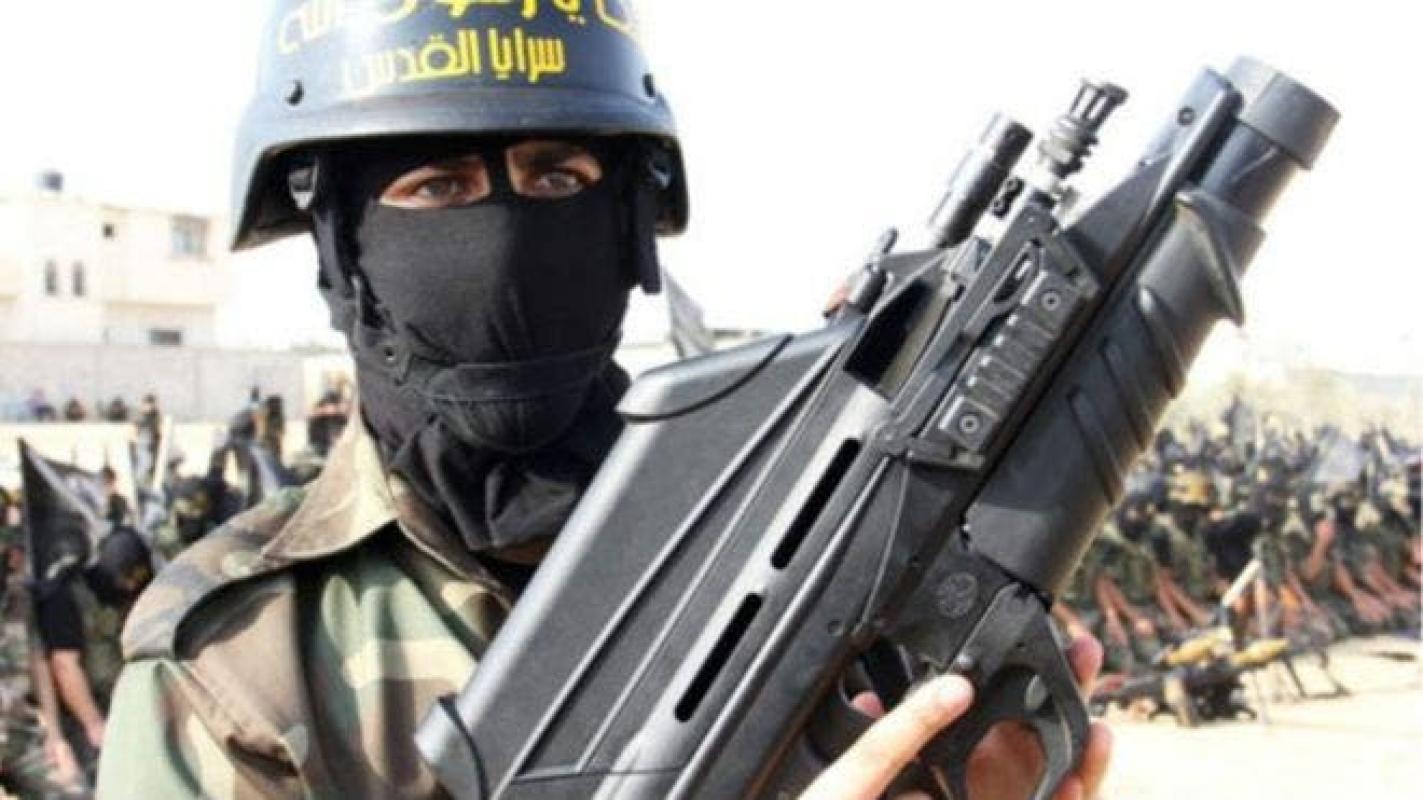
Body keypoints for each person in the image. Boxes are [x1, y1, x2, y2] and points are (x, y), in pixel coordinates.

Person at [97, 5, 1109, 798]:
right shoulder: (236, 661)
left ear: (629, 223)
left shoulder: (801, 513)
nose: (505, 241)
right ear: (340, 251)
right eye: (436, 188)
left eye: (557, 177)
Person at [34, 528, 153, 787]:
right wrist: (94, 724)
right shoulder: (65, 597)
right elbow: (65, 665)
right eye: (126, 579)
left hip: (124, 707)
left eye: (136, 580)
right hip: (84, 716)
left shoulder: (127, 595)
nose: (131, 586)